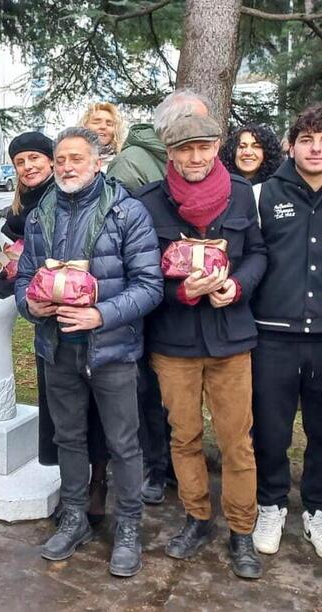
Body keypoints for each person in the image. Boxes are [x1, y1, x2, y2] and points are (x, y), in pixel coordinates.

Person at [15, 127, 163, 577]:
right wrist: (30, 304)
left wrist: (100, 315)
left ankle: (129, 526)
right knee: (68, 438)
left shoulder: (127, 212)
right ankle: (75, 516)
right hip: (57, 347)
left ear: (98, 162)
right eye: (61, 159)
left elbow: (150, 286)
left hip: (112, 351)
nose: (67, 167)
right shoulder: (40, 214)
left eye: (76, 158)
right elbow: (24, 279)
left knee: (123, 443)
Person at [137, 113, 267, 579]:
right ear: (170, 153)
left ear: (216, 147)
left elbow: (258, 252)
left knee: (237, 441)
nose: (196, 157)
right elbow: (143, 271)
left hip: (231, 336)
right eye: (185, 149)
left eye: (204, 147)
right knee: (185, 436)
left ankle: (242, 529)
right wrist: (182, 292)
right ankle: (197, 517)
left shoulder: (240, 193)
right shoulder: (149, 201)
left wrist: (237, 286)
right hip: (174, 342)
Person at [0, 132, 110, 524]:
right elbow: (22, 270)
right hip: (49, 326)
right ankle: (73, 488)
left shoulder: (63, 199)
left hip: (90, 323)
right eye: (20, 161)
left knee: (92, 412)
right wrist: (12, 280)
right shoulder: (22, 210)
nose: (28, 167)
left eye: (35, 158)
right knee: (63, 417)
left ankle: (97, 484)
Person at [108, 88, 212, 507]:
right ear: (168, 127)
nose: (195, 132)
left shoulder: (195, 158)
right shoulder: (133, 161)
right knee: (151, 391)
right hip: (152, 295)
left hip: (202, 298)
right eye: (189, 121)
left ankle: (178, 463)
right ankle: (156, 465)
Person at [250, 103, 322, 559]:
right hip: (272, 336)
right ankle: (271, 504)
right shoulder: (261, 195)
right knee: (271, 432)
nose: (316, 148)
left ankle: (317, 508)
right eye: (307, 139)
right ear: (291, 145)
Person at [219, 123, 284, 184]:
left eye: (256, 146)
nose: (248, 152)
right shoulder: (220, 184)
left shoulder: (277, 187)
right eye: (242, 146)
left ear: (267, 152)